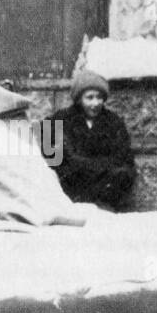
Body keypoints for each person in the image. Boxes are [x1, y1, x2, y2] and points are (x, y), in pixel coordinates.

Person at [49, 70, 136, 210]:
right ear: (79, 99)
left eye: (99, 97)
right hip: (71, 193)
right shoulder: (61, 119)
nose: (95, 103)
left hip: (104, 195)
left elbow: (124, 159)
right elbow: (51, 157)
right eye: (89, 98)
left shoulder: (113, 122)